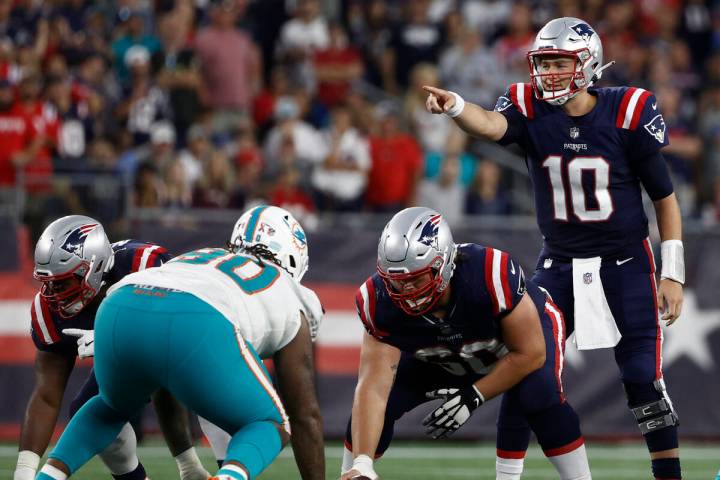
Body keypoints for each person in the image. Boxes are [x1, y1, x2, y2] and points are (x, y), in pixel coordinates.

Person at [424, 17, 684, 480]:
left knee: (643, 376)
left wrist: (673, 271)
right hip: (559, 263)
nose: (547, 73)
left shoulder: (627, 110)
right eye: (542, 63)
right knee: (525, 363)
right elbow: (489, 125)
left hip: (625, 263)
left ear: (587, 64)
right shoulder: (530, 108)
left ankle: (669, 475)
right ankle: (507, 477)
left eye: (558, 63)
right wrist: (457, 105)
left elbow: (664, 197)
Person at [34, 206, 325, 480]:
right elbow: (306, 416)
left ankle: (47, 475)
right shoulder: (291, 294)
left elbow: (163, 380)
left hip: (119, 305)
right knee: (271, 423)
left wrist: (186, 464)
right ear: (294, 257)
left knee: (109, 408)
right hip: (197, 318)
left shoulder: (202, 255)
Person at [341, 207, 590, 480]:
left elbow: (530, 353)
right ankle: (354, 471)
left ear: (445, 262)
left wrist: (474, 396)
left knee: (539, 392)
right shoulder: (377, 300)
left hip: (511, 345)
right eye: (396, 282)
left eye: (416, 279)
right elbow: (373, 388)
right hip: (442, 353)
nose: (406, 292)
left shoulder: (488, 273)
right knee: (383, 402)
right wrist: (362, 461)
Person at [14, 215, 208, 480]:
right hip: (128, 362)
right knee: (88, 414)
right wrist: (23, 473)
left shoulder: (145, 266)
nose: (52, 294)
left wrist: (114, 335)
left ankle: (201, 469)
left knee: (195, 389)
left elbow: (177, 332)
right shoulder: (47, 309)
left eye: (62, 282)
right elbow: (47, 395)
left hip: (180, 347)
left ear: (94, 268)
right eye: (47, 282)